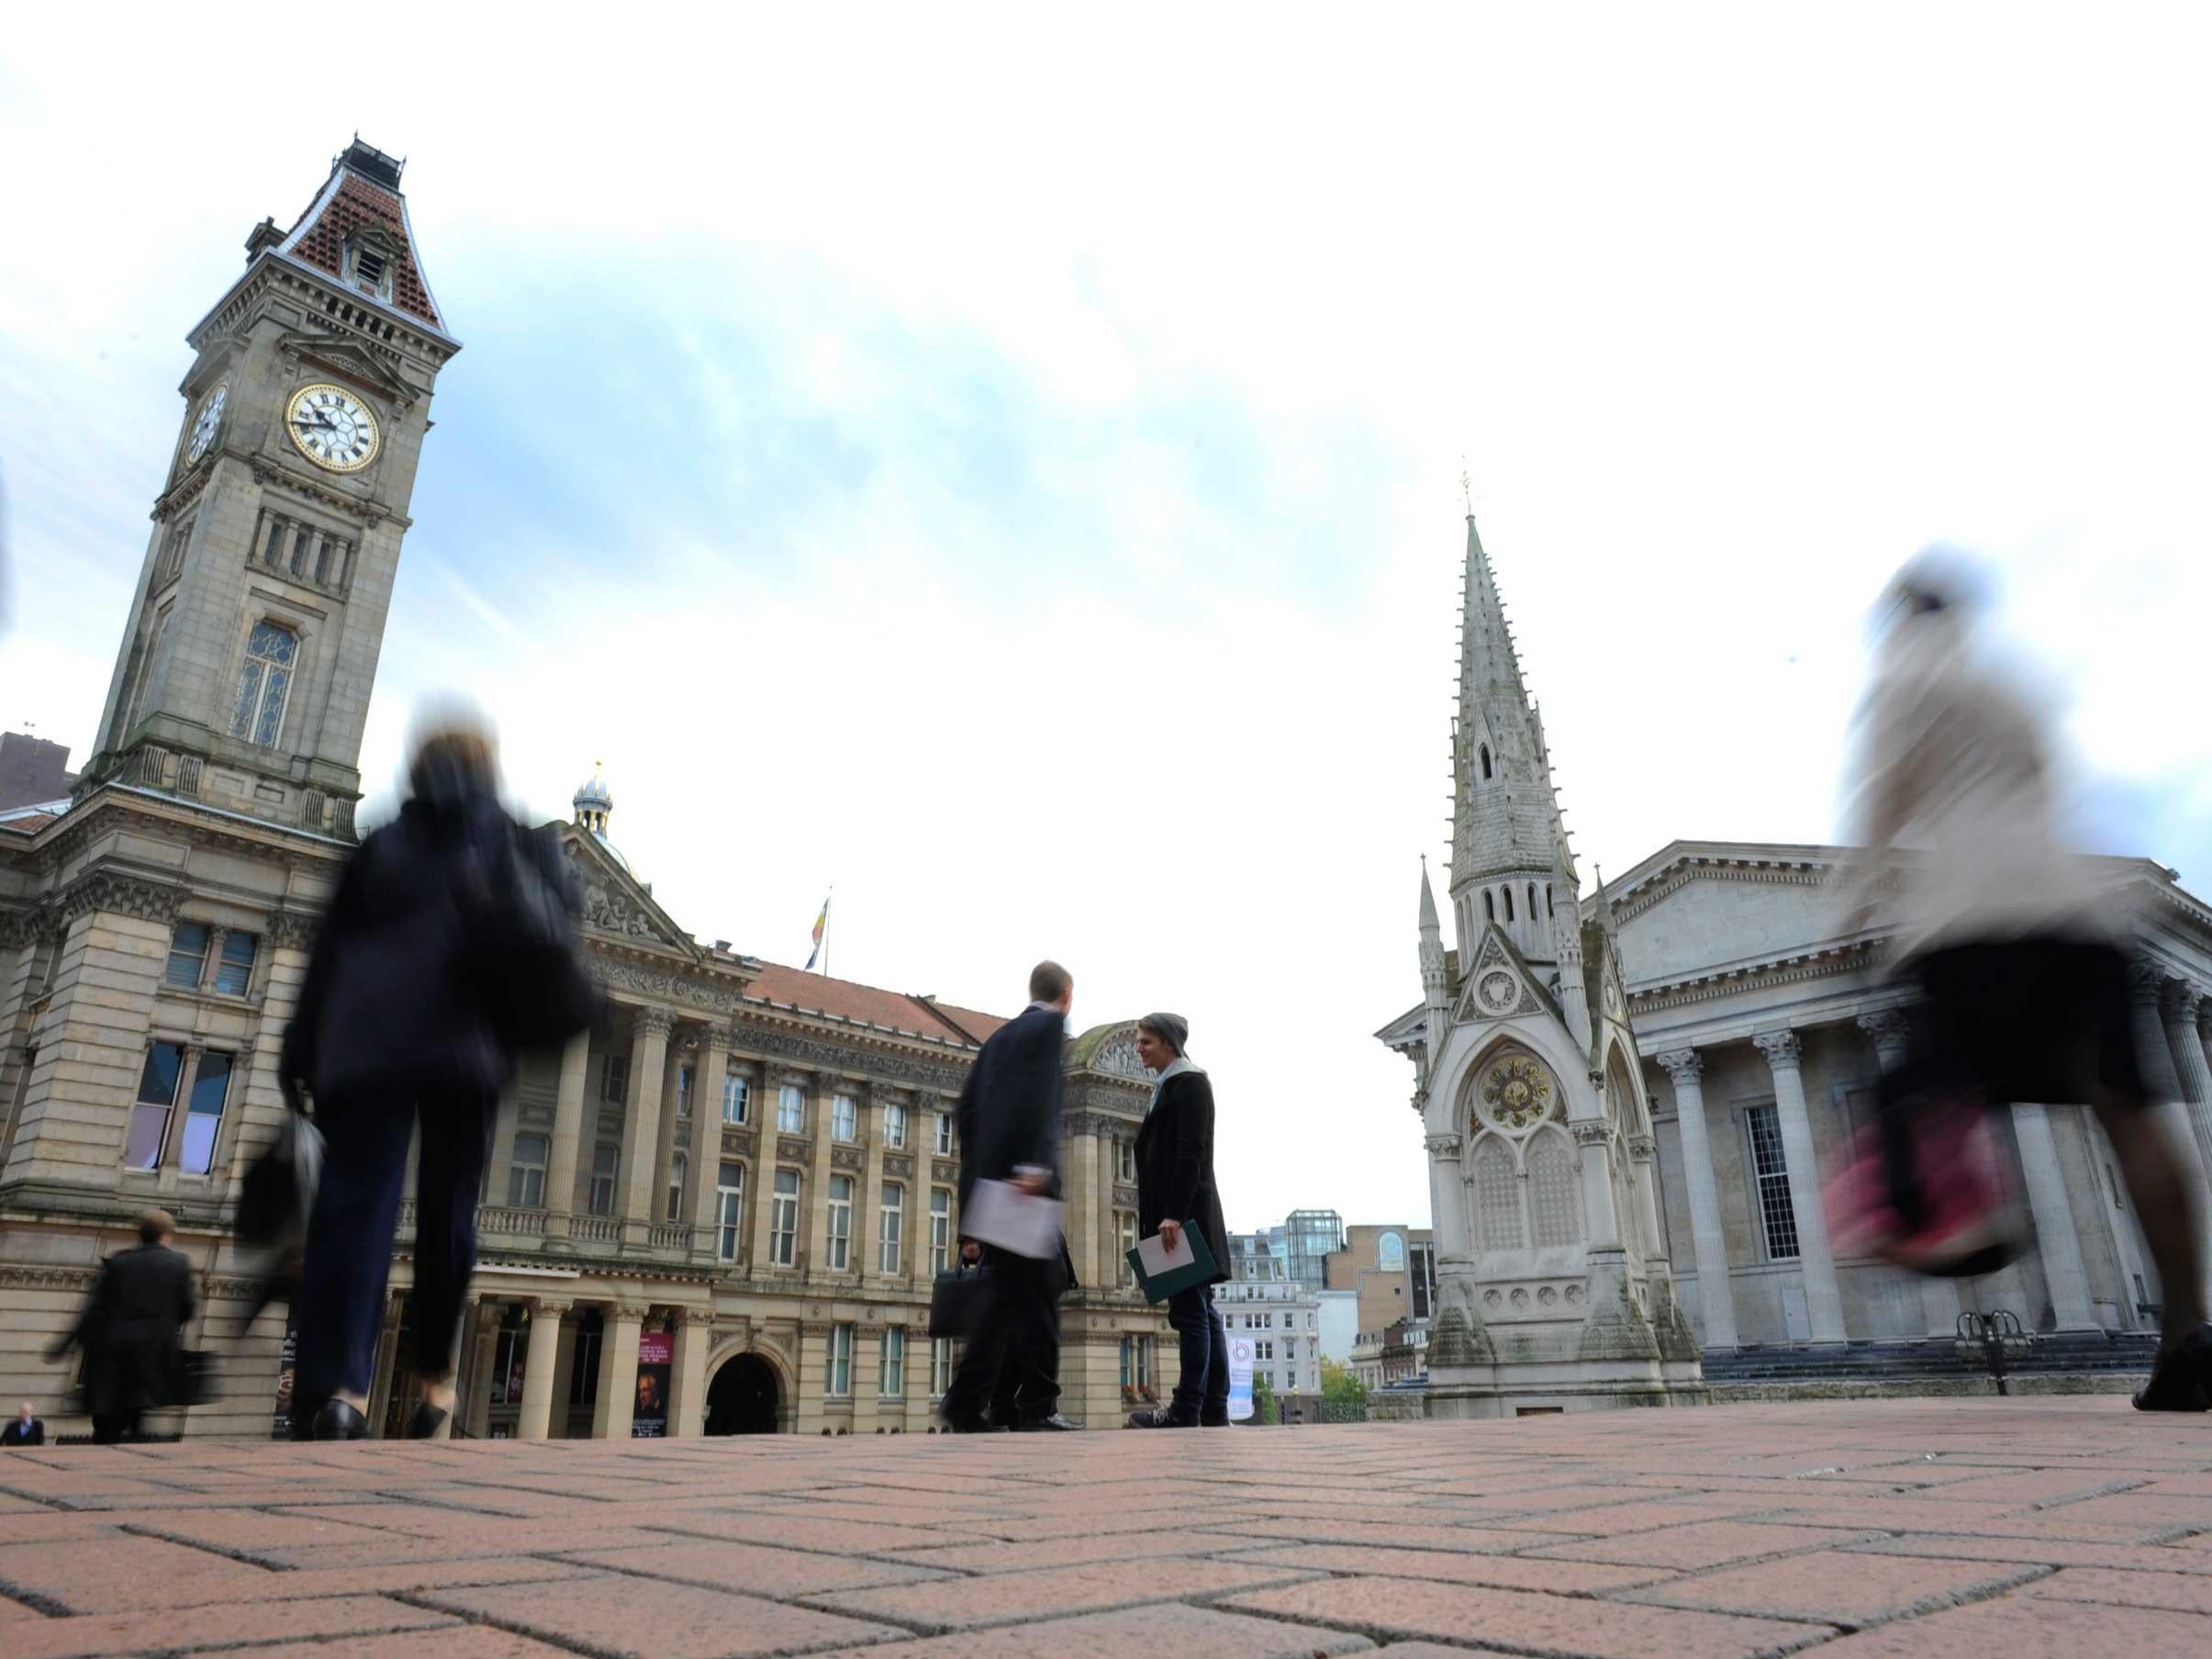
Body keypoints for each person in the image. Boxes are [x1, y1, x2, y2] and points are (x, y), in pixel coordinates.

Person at [1843, 548, 2212, 1411]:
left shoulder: (1906, 679)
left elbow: (1883, 800)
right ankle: (2189, 1329)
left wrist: (1853, 910)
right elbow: (2046, 784)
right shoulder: (2010, 687)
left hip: (1972, 914)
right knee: (2134, 1112)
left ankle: (1957, 1222)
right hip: (2072, 908)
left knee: (1918, 1092)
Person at [283, 715, 583, 1440]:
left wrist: (299, 1052)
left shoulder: (382, 844)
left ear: (416, 770)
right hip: (466, 1051)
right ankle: (435, 1385)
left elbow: (325, 957)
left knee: (357, 1212)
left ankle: (341, 1391)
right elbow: (560, 940)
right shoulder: (520, 840)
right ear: (488, 770)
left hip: (366, 1047)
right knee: (449, 1219)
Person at [940, 960, 1078, 1432]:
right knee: (1039, 1300)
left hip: (993, 1186)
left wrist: (974, 1198)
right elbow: (1039, 1103)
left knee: (1001, 1300)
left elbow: (968, 1112)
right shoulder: (1048, 1029)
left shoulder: (996, 1040)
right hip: (1024, 1185)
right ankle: (1039, 1404)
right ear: (1067, 993)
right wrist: (1035, 1166)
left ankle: (964, 1402)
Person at [1128, 1014, 1232, 1428]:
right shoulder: (1169, 1086)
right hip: (1180, 1216)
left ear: (1169, 1043)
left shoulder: (1189, 1084)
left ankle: (1187, 1407)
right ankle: (1213, 1407)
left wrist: (1172, 1213)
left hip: (1184, 1219)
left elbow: (1191, 1153)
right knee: (1202, 1311)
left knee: (1189, 1312)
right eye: (1138, 1041)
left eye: (1146, 1041)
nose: (1139, 1047)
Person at [45, 1209, 196, 1443]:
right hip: (151, 1357)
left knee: (106, 1425)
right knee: (138, 1419)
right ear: (165, 1235)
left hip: (112, 1354)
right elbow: (188, 1310)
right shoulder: (178, 1264)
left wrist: (64, 1344)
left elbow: (94, 1310)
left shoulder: (119, 1261)